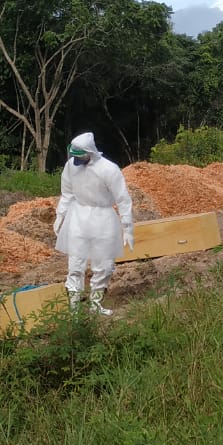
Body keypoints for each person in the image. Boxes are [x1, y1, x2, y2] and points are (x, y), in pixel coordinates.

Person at [53, 132, 134, 316]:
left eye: (79, 156)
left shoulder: (109, 169)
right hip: (78, 217)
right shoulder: (71, 167)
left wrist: (128, 228)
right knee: (75, 264)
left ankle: (96, 304)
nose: (75, 160)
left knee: (104, 264)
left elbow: (123, 199)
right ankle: (74, 309)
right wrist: (60, 215)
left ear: (89, 152)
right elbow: (67, 193)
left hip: (103, 218)